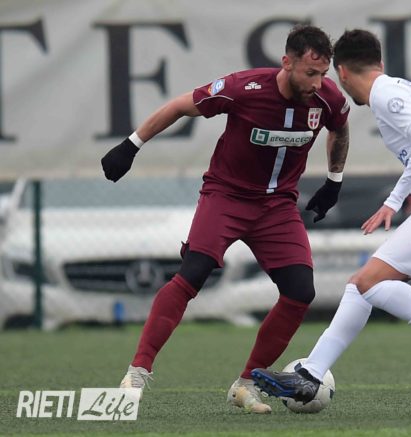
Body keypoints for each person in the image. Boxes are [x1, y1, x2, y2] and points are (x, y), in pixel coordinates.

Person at [101, 24, 350, 414]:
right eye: (310, 73)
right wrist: (131, 146)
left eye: (323, 73)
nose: (318, 82)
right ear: (286, 63)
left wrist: (334, 181)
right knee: (192, 274)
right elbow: (180, 105)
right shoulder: (243, 88)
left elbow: (340, 128)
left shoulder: (327, 98)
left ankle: (246, 384)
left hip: (278, 207)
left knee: (300, 291)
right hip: (227, 196)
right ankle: (137, 372)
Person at [251, 29, 411, 402]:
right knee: (361, 287)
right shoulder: (402, 89)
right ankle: (310, 375)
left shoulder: (384, 94)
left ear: (342, 73)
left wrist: (394, 200)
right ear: (379, 62)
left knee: (368, 282)